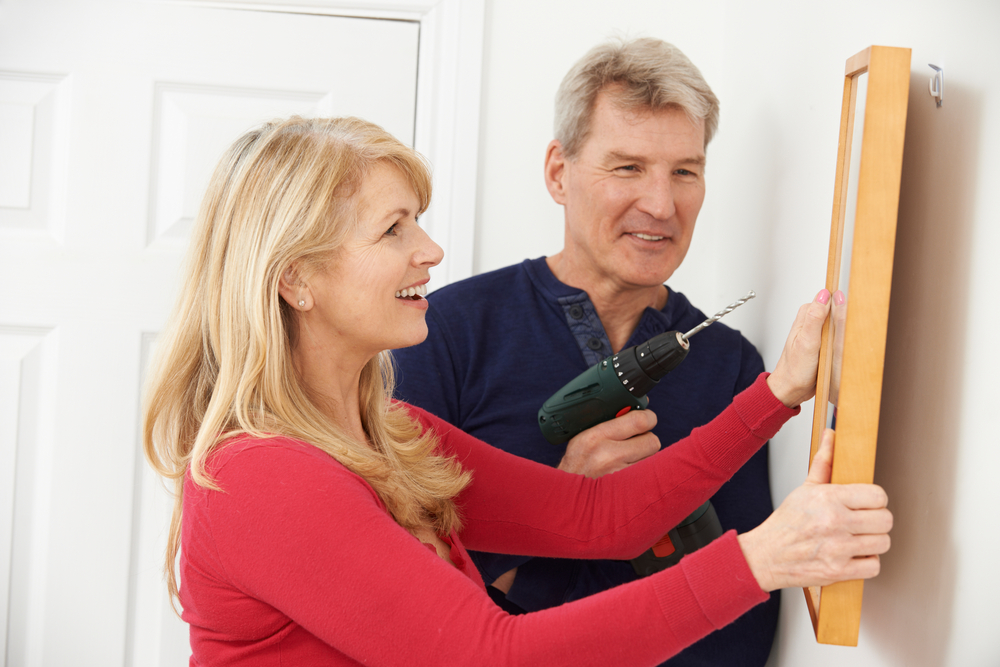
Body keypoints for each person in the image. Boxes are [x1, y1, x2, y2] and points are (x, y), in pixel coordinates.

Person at [142, 115, 891, 666]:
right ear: (295, 278)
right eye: (394, 229)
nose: (430, 251)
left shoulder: (392, 433)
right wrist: (760, 560)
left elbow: (601, 518)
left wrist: (778, 391)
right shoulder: (263, 476)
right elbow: (492, 654)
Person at [393, 37, 780, 664]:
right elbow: (400, 594)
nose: (661, 204)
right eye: (627, 167)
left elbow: (743, 619)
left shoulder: (730, 366)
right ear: (558, 172)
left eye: (685, 170)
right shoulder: (442, 334)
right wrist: (566, 511)